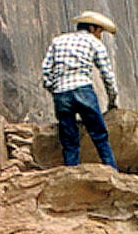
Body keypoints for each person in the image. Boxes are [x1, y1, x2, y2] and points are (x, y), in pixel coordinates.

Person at [40, 10, 119, 169]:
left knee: (69, 140)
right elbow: (107, 75)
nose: (100, 35)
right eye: (100, 31)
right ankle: (112, 171)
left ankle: (71, 172)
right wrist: (112, 100)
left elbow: (46, 71)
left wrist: (54, 89)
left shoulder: (58, 41)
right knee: (100, 135)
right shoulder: (94, 43)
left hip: (61, 93)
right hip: (83, 90)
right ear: (92, 28)